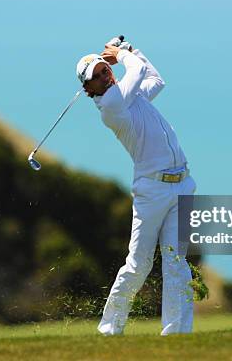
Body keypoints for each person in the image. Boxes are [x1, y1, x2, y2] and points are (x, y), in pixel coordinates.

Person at [75, 38, 197, 336]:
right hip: (152, 192)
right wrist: (123, 54)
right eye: (98, 77)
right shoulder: (111, 106)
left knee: (176, 262)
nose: (106, 76)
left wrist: (131, 49)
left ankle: (177, 334)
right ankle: (109, 329)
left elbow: (156, 78)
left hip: (181, 185)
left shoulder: (131, 97)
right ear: (89, 90)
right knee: (138, 264)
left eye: (106, 70)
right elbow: (139, 69)